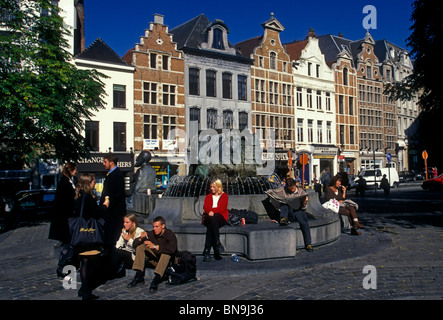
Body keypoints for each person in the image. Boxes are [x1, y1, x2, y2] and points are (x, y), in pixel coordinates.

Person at [73, 173, 105, 300]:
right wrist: (104, 207)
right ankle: (86, 291)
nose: (94, 184)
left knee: (84, 262)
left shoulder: (78, 198)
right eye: (93, 182)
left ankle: (83, 289)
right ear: (88, 184)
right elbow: (96, 214)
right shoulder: (89, 199)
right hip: (89, 234)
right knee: (90, 262)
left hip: (80, 236)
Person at [127, 216, 178, 293]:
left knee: (166, 254)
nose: (155, 229)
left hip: (168, 262)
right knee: (141, 247)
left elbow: (172, 250)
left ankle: (156, 279)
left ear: (163, 226)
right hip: (157, 260)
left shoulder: (170, 234)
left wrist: (155, 246)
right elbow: (134, 244)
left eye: (157, 227)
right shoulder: (152, 234)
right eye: (154, 227)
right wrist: (141, 237)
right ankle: (139, 276)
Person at [48, 162, 78, 278]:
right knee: (67, 245)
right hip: (65, 220)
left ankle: (65, 265)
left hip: (66, 218)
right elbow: (67, 201)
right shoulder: (64, 183)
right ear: (71, 170)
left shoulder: (68, 181)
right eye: (75, 170)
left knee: (69, 244)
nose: (76, 172)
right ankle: (62, 266)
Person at [267, 178, 313, 252]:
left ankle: (308, 244)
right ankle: (284, 218)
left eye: (293, 188)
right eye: (290, 189)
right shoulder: (284, 190)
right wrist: (269, 194)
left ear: (295, 185)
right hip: (288, 212)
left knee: (304, 223)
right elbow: (273, 191)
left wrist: (304, 203)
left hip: (298, 211)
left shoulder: (301, 192)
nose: (292, 190)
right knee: (284, 204)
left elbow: (304, 208)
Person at [100, 153, 127, 251]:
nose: (103, 164)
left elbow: (117, 194)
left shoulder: (117, 175)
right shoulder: (111, 174)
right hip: (111, 213)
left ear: (111, 163)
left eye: (105, 162)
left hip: (114, 214)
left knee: (111, 238)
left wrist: (107, 206)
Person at [110, 213, 145, 279]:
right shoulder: (124, 231)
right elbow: (119, 243)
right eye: (124, 222)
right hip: (126, 254)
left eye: (127, 222)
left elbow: (138, 249)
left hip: (134, 257)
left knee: (118, 252)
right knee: (113, 250)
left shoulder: (139, 232)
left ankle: (112, 272)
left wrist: (129, 239)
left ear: (133, 223)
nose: (124, 224)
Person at [202, 179, 229, 262]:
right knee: (212, 222)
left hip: (220, 218)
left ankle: (207, 251)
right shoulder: (208, 196)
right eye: (211, 187)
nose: (212, 188)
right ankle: (217, 243)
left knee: (213, 219)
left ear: (219, 187)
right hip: (210, 218)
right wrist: (210, 211)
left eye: (214, 187)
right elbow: (206, 207)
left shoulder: (224, 196)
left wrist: (212, 211)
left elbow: (222, 209)